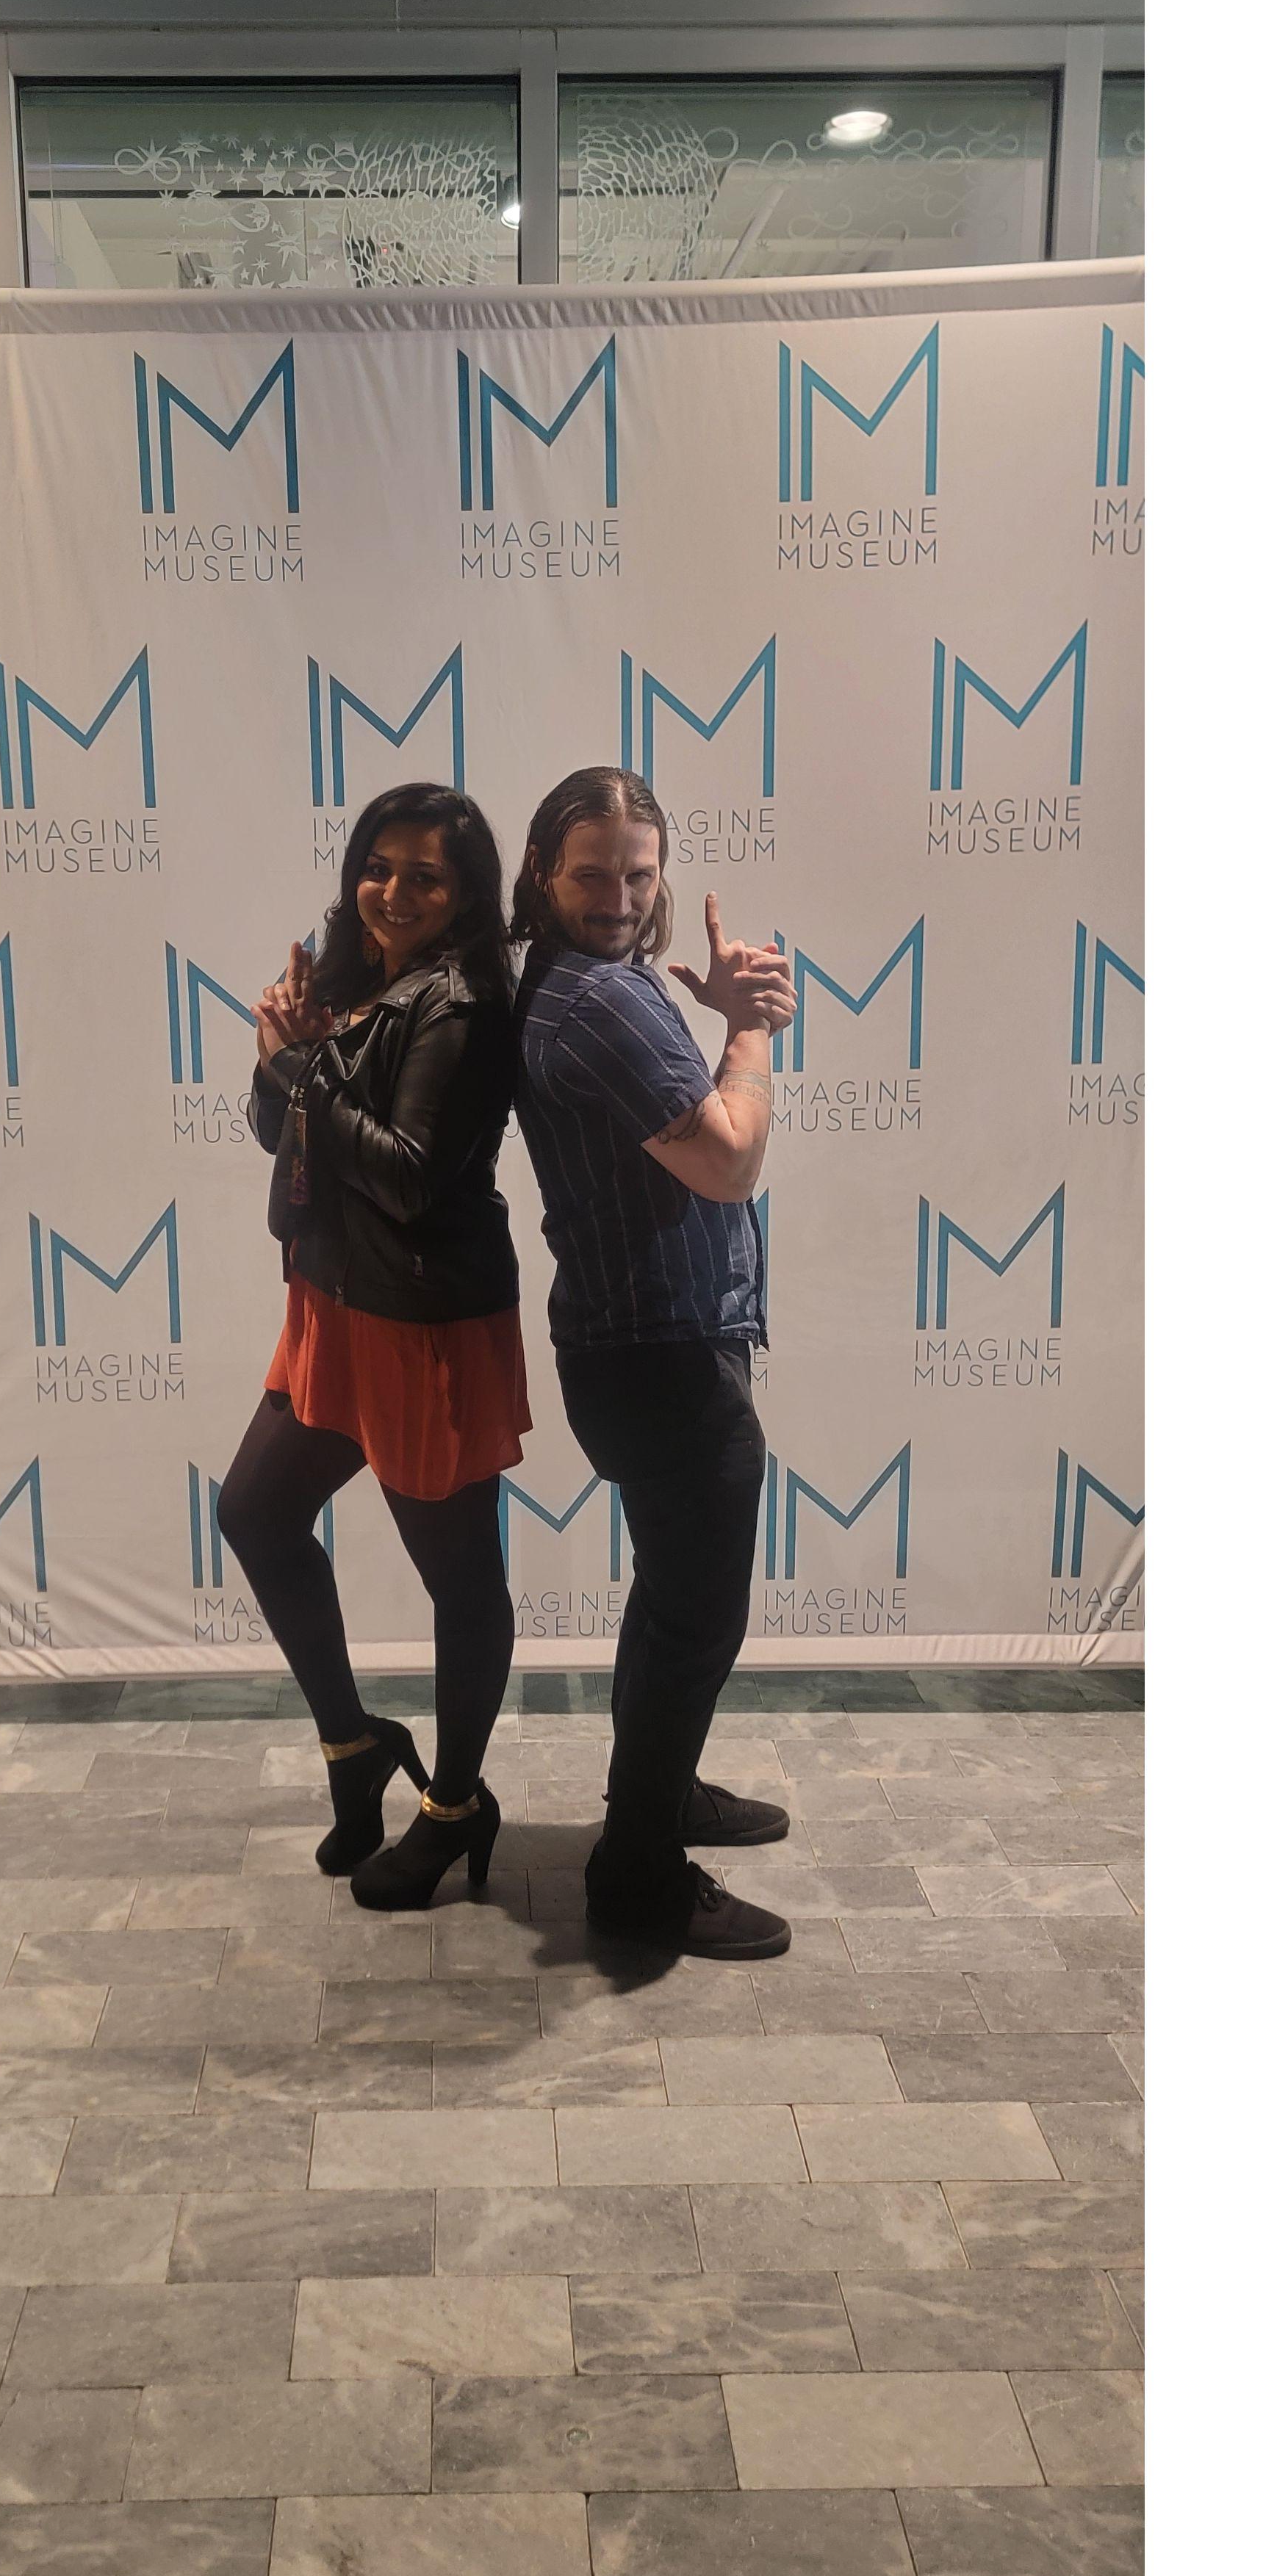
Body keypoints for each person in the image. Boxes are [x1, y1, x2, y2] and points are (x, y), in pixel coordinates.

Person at [221, 781, 530, 1911]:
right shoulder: (355, 979)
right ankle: (354, 1747)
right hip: (333, 1302)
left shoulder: (465, 1004)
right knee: (255, 1515)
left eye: (425, 878)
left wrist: (298, 1067)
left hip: (420, 1327)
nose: (394, 892)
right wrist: (282, 1057)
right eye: (378, 867)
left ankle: (455, 1804)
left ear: (468, 894)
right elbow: (281, 1133)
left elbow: (407, 1177)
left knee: (461, 1581)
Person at [506, 766, 797, 1959]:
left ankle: (659, 1798)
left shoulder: (571, 982)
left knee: (671, 1601)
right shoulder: (598, 1002)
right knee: (695, 1619)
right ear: (542, 875)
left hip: (635, 1347)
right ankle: (635, 1876)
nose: (619, 898)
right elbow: (729, 1162)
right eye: (592, 876)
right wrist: (752, 1027)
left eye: (639, 873)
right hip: (663, 1356)